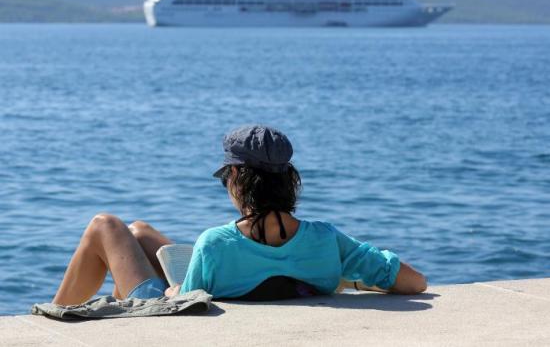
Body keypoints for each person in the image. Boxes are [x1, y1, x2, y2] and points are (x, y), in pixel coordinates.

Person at [53, 125, 426, 306]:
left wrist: (173, 290)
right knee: (139, 231)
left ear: (235, 177)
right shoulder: (326, 239)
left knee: (106, 225)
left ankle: (54, 313)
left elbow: (186, 301)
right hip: (258, 277)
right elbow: (415, 283)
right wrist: (351, 276)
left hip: (181, 301)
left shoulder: (216, 243)